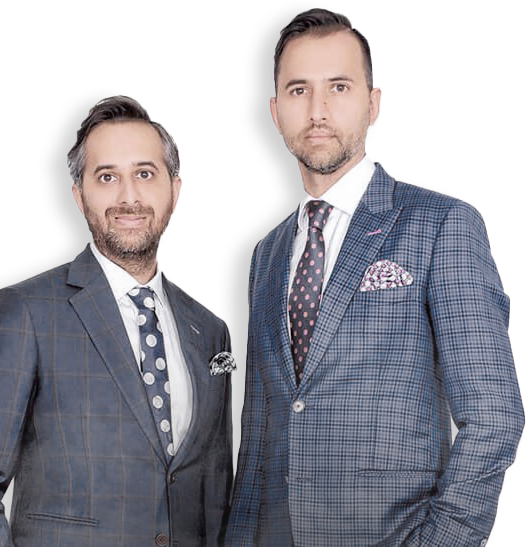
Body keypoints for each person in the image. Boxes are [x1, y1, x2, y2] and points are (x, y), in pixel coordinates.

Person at [226, 8, 524, 547]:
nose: (317, 110)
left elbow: (494, 417)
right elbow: (259, 440)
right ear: (275, 112)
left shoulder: (442, 224)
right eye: (298, 90)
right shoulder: (264, 254)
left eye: (338, 87)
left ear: (373, 103)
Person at [0, 94, 235, 547]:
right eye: (107, 177)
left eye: (144, 174)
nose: (128, 196)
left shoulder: (210, 331)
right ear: (80, 196)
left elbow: (216, 495)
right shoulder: (24, 311)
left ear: (175, 188)